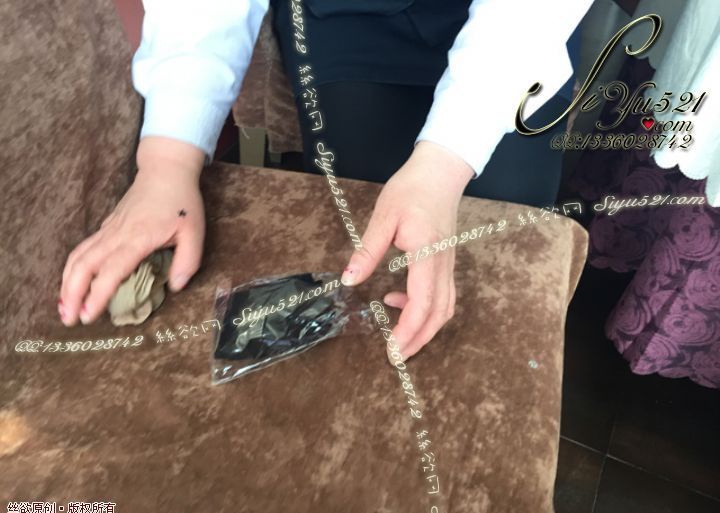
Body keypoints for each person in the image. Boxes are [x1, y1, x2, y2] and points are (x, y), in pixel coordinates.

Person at [58, 0, 592, 360]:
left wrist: (446, 160)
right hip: (353, 17)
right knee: (370, 258)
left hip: (522, 20)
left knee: (501, 256)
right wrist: (167, 161)